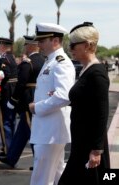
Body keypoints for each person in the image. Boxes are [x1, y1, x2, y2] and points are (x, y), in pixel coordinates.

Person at [58, 22, 110, 185]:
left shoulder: (97, 73)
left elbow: (102, 113)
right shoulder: (86, 69)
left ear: (87, 45)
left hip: (89, 145)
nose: (70, 49)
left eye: (73, 45)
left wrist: (96, 150)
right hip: (81, 141)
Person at [28, 23, 75, 185]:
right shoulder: (51, 61)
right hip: (48, 130)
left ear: (55, 40)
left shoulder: (61, 63)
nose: (38, 45)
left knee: (41, 179)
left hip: (51, 131)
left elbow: (64, 96)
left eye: (42, 41)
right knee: (56, 176)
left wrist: (37, 107)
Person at [0, 35, 44, 167]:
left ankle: (38, 162)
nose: (24, 47)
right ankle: (11, 158)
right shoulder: (43, 60)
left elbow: (21, 83)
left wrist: (13, 100)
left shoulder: (28, 62)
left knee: (32, 132)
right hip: (38, 97)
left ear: (30, 46)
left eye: (25, 45)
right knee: (22, 132)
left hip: (28, 99)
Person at [0, 37, 18, 155]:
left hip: (7, 90)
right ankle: (11, 147)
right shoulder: (13, 57)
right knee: (12, 119)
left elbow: (5, 75)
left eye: (0, 45)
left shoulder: (4, 58)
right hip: (14, 89)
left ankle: (7, 148)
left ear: (3, 46)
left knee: (5, 120)